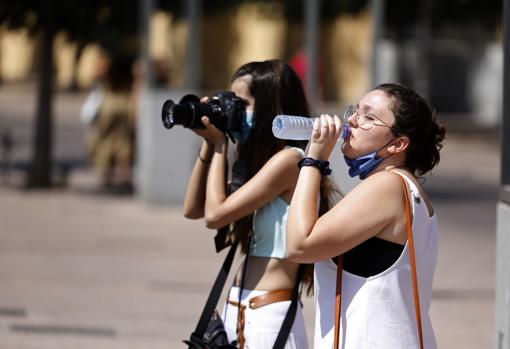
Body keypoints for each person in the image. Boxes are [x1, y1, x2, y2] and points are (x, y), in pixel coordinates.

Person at [182, 60, 335, 348]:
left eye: (242, 103)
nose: (232, 111)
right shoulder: (258, 165)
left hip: (268, 319)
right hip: (236, 312)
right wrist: (208, 141)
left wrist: (219, 147)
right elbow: (193, 209)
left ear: (270, 108)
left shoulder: (290, 161)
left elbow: (215, 216)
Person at [286, 83, 445, 348]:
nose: (352, 121)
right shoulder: (406, 188)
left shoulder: (388, 186)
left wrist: (313, 159)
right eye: (356, 111)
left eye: (368, 117)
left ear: (398, 144)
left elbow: (299, 244)